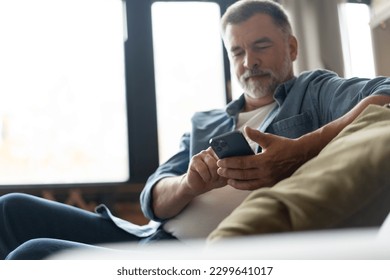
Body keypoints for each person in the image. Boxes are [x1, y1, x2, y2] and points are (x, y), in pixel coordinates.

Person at [1, 0, 390, 260]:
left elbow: (386, 94)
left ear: (291, 47)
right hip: (149, 239)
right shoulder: (207, 121)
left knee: (35, 255)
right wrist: (189, 184)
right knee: (10, 209)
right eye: (237, 52)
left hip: (197, 256)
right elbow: (152, 196)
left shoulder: (315, 91)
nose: (249, 61)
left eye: (261, 46)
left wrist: (303, 148)